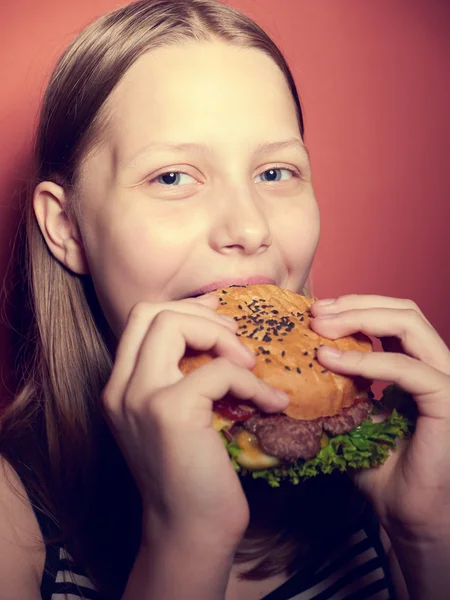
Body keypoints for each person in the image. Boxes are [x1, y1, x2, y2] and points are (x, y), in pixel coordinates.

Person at [0, 0, 449, 598]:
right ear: (67, 229)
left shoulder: (402, 473)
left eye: (275, 173)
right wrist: (185, 539)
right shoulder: (13, 520)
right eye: (173, 177)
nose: (249, 228)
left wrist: (428, 536)